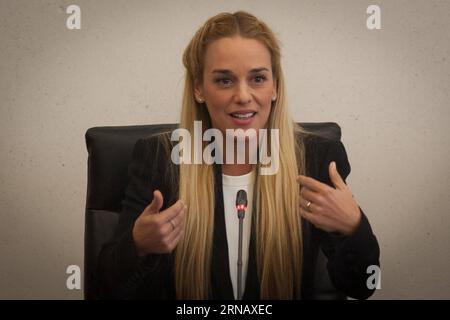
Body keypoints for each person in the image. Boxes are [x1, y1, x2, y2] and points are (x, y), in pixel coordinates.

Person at [97, 11, 380, 300]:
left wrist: (354, 226)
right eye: (224, 81)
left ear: (275, 87)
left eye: (257, 78)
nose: (243, 95)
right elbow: (104, 288)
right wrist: (138, 245)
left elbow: (362, 285)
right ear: (199, 88)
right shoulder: (159, 159)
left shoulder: (318, 159)